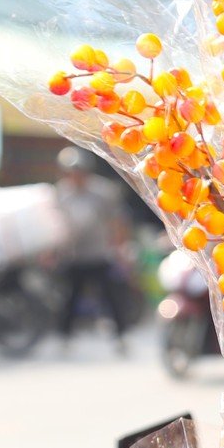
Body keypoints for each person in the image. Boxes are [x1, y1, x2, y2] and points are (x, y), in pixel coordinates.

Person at [53, 146, 132, 349]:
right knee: (69, 297)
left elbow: (116, 221)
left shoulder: (103, 192)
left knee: (111, 297)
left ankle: (121, 337)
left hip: (99, 253)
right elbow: (56, 225)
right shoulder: (61, 194)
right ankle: (65, 337)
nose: (76, 176)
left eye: (80, 171)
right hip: (74, 255)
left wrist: (120, 248)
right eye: (72, 172)